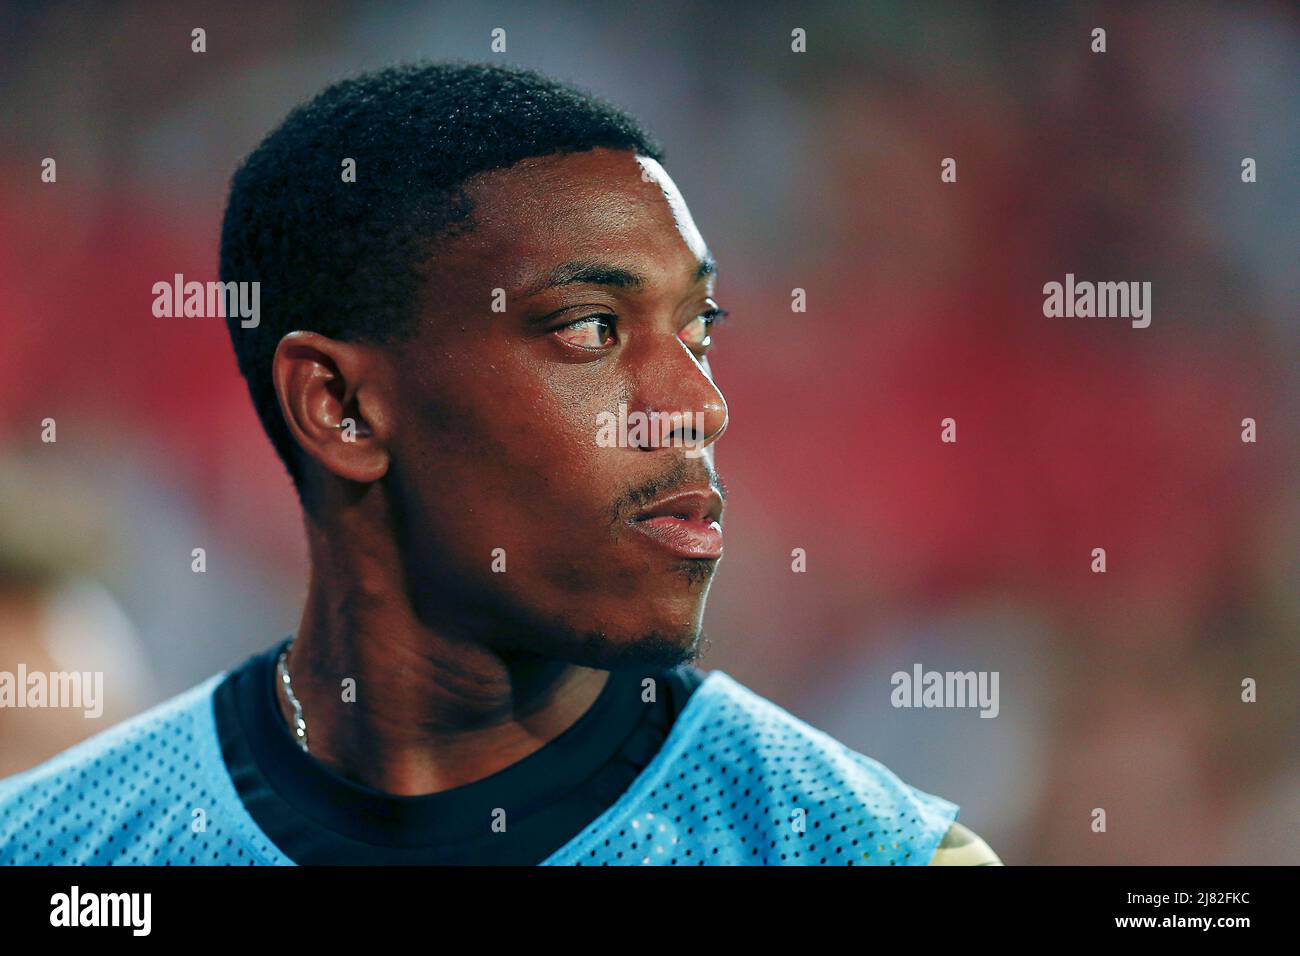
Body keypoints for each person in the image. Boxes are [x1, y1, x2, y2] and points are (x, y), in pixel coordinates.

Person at [0, 62, 999, 866]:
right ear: (340, 406)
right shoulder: (58, 848)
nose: (700, 403)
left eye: (699, 329)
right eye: (589, 326)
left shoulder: (862, 847)